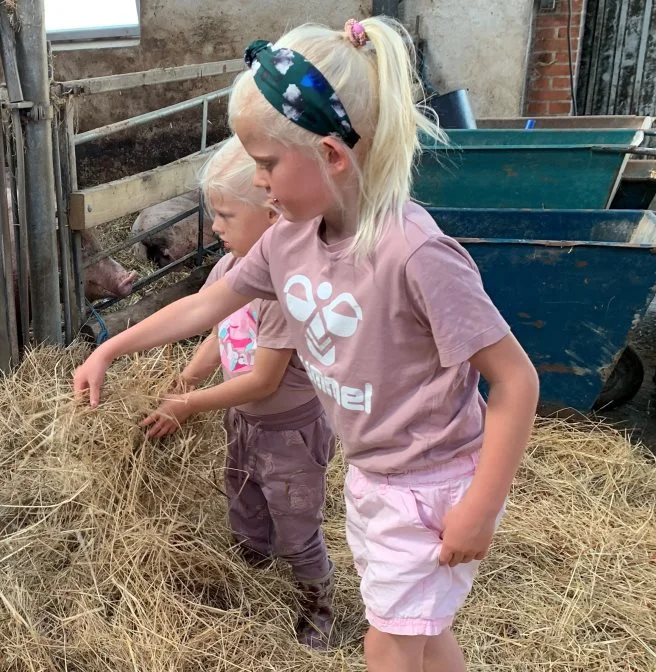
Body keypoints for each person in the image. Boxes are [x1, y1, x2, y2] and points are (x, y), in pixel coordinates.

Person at [73, 16, 539, 671]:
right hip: (375, 473)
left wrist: (481, 508)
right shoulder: (289, 240)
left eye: (266, 164)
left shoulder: (415, 254)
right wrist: (109, 349)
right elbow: (208, 304)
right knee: (421, 629)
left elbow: (516, 381)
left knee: (390, 639)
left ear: (330, 156)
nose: (259, 182)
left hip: (435, 485)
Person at [139, 135, 338, 649]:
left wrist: (188, 405)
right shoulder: (229, 269)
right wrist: (187, 378)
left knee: (295, 522)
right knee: (244, 501)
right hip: (243, 421)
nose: (214, 227)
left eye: (225, 215)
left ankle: (318, 601)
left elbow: (263, 379)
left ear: (272, 215)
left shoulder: (286, 287)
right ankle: (253, 569)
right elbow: (217, 332)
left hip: (290, 432)